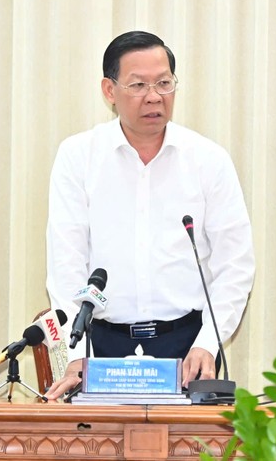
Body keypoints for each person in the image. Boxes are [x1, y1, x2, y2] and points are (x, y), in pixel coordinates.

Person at [43, 31, 255, 401]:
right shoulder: (79, 156)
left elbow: (235, 264)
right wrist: (77, 355)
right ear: (109, 90)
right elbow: (66, 263)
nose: (154, 95)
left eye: (164, 83)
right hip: (102, 344)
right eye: (138, 84)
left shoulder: (208, 159)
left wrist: (208, 343)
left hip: (188, 346)